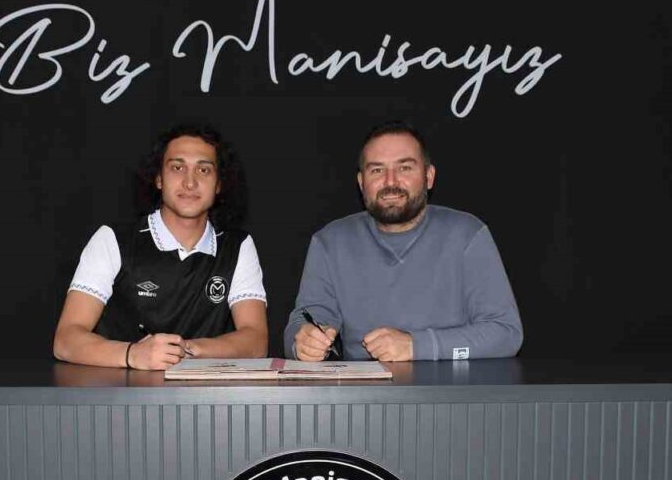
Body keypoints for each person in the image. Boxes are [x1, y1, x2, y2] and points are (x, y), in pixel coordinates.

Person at [285, 121, 522, 362]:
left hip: (453, 385)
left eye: (404, 168)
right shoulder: (330, 242)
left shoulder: (467, 235)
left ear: (429, 177)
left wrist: (415, 346)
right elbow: (304, 320)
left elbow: (506, 333)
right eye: (377, 170)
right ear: (361, 182)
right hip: (362, 386)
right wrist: (303, 342)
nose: (390, 182)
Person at [54, 124, 268, 370]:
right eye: (177, 168)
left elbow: (256, 341)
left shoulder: (238, 246)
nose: (190, 182)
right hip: (119, 392)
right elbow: (66, 340)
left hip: (202, 393)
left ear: (219, 183)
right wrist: (133, 354)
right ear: (158, 178)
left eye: (204, 170)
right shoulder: (113, 239)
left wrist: (186, 349)